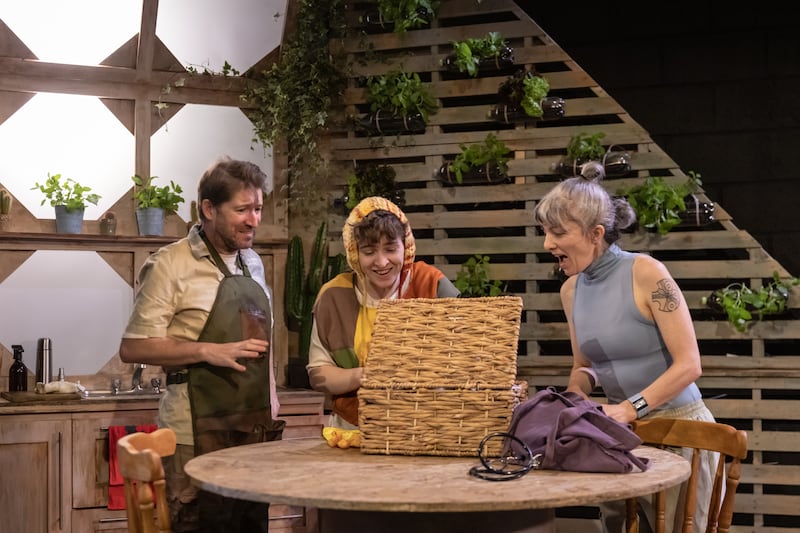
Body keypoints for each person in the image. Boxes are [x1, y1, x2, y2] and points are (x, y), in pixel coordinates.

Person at [533, 175, 717, 533]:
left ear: (595, 234)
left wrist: (630, 407)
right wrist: (574, 399)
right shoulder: (570, 290)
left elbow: (690, 364)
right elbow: (585, 366)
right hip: (621, 439)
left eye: (557, 233)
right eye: (545, 232)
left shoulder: (646, 273)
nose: (547, 243)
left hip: (681, 432)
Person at [119, 156, 284, 533]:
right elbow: (133, 347)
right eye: (242, 209)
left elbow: (262, 346)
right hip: (194, 435)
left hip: (252, 429)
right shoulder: (170, 265)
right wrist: (209, 351)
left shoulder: (253, 263)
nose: (254, 220)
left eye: (257, 209)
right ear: (208, 209)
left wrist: (271, 402)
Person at [307, 196, 460, 429]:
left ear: (405, 246)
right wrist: (366, 376)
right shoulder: (333, 296)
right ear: (355, 253)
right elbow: (319, 373)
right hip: (353, 428)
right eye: (369, 252)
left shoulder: (432, 285)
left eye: (390, 249)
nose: (381, 262)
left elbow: (465, 358)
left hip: (427, 426)